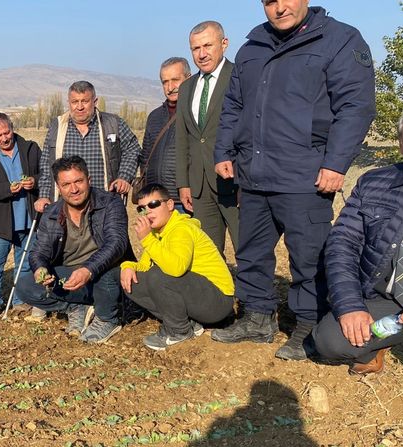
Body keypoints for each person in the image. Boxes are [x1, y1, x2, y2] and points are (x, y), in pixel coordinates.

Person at [212, 1, 376, 360]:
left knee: (309, 255)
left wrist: (336, 164)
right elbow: (234, 106)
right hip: (253, 174)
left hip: (306, 174)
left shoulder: (339, 40)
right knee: (251, 251)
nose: (279, 7)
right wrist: (224, 151)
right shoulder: (253, 45)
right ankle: (256, 316)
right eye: (270, 1)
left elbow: (356, 106)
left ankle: (308, 325)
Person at [312, 114, 403, 374]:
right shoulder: (374, 183)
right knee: (329, 340)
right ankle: (389, 335)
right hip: (386, 299)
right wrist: (350, 305)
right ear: (400, 143)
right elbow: (343, 244)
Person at [17, 156, 129, 343]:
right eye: (66, 184)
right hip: (70, 275)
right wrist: (40, 268)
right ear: (59, 188)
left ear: (89, 180)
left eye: (79, 181)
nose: (74, 189)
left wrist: (88, 269)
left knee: (108, 269)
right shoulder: (51, 213)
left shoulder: (110, 203)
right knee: (25, 286)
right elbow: (39, 252)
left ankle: (107, 318)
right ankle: (75, 307)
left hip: (103, 272)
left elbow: (116, 243)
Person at [120, 184, 234, 351]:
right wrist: (127, 266)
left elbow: (176, 269)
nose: (147, 212)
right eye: (142, 209)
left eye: (153, 204)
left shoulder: (181, 229)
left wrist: (146, 240)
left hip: (218, 301)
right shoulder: (156, 233)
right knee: (132, 282)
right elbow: (143, 267)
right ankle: (189, 324)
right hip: (197, 297)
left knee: (157, 276)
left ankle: (178, 331)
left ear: (170, 204)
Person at [174, 21, 238, 254]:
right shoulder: (186, 87)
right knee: (209, 255)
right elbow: (183, 139)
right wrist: (184, 183)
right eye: (195, 48)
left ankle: (250, 292)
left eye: (207, 46)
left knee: (248, 252)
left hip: (234, 184)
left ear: (224, 44)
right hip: (200, 188)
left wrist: (245, 178)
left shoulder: (239, 77)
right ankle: (217, 292)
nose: (201, 54)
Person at [34, 80, 141, 212]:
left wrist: (124, 177)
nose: (79, 107)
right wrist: (44, 196)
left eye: (85, 101)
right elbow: (46, 165)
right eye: (75, 102)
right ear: (69, 103)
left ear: (95, 102)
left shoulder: (113, 123)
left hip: (105, 205)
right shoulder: (57, 127)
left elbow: (132, 149)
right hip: (66, 207)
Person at [0, 113, 41, 315]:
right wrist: (6, 189)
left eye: (7, 132)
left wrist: (34, 181)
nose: (4, 138)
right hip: (0, 221)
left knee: (24, 263)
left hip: (28, 218)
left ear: (12, 128)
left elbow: (46, 174)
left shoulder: (30, 149)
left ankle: (20, 300)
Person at [140, 57, 192, 213]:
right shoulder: (154, 116)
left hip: (185, 200)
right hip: (156, 202)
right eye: (165, 82)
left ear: (189, 78)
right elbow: (145, 156)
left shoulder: (195, 113)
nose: (170, 87)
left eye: (175, 80)